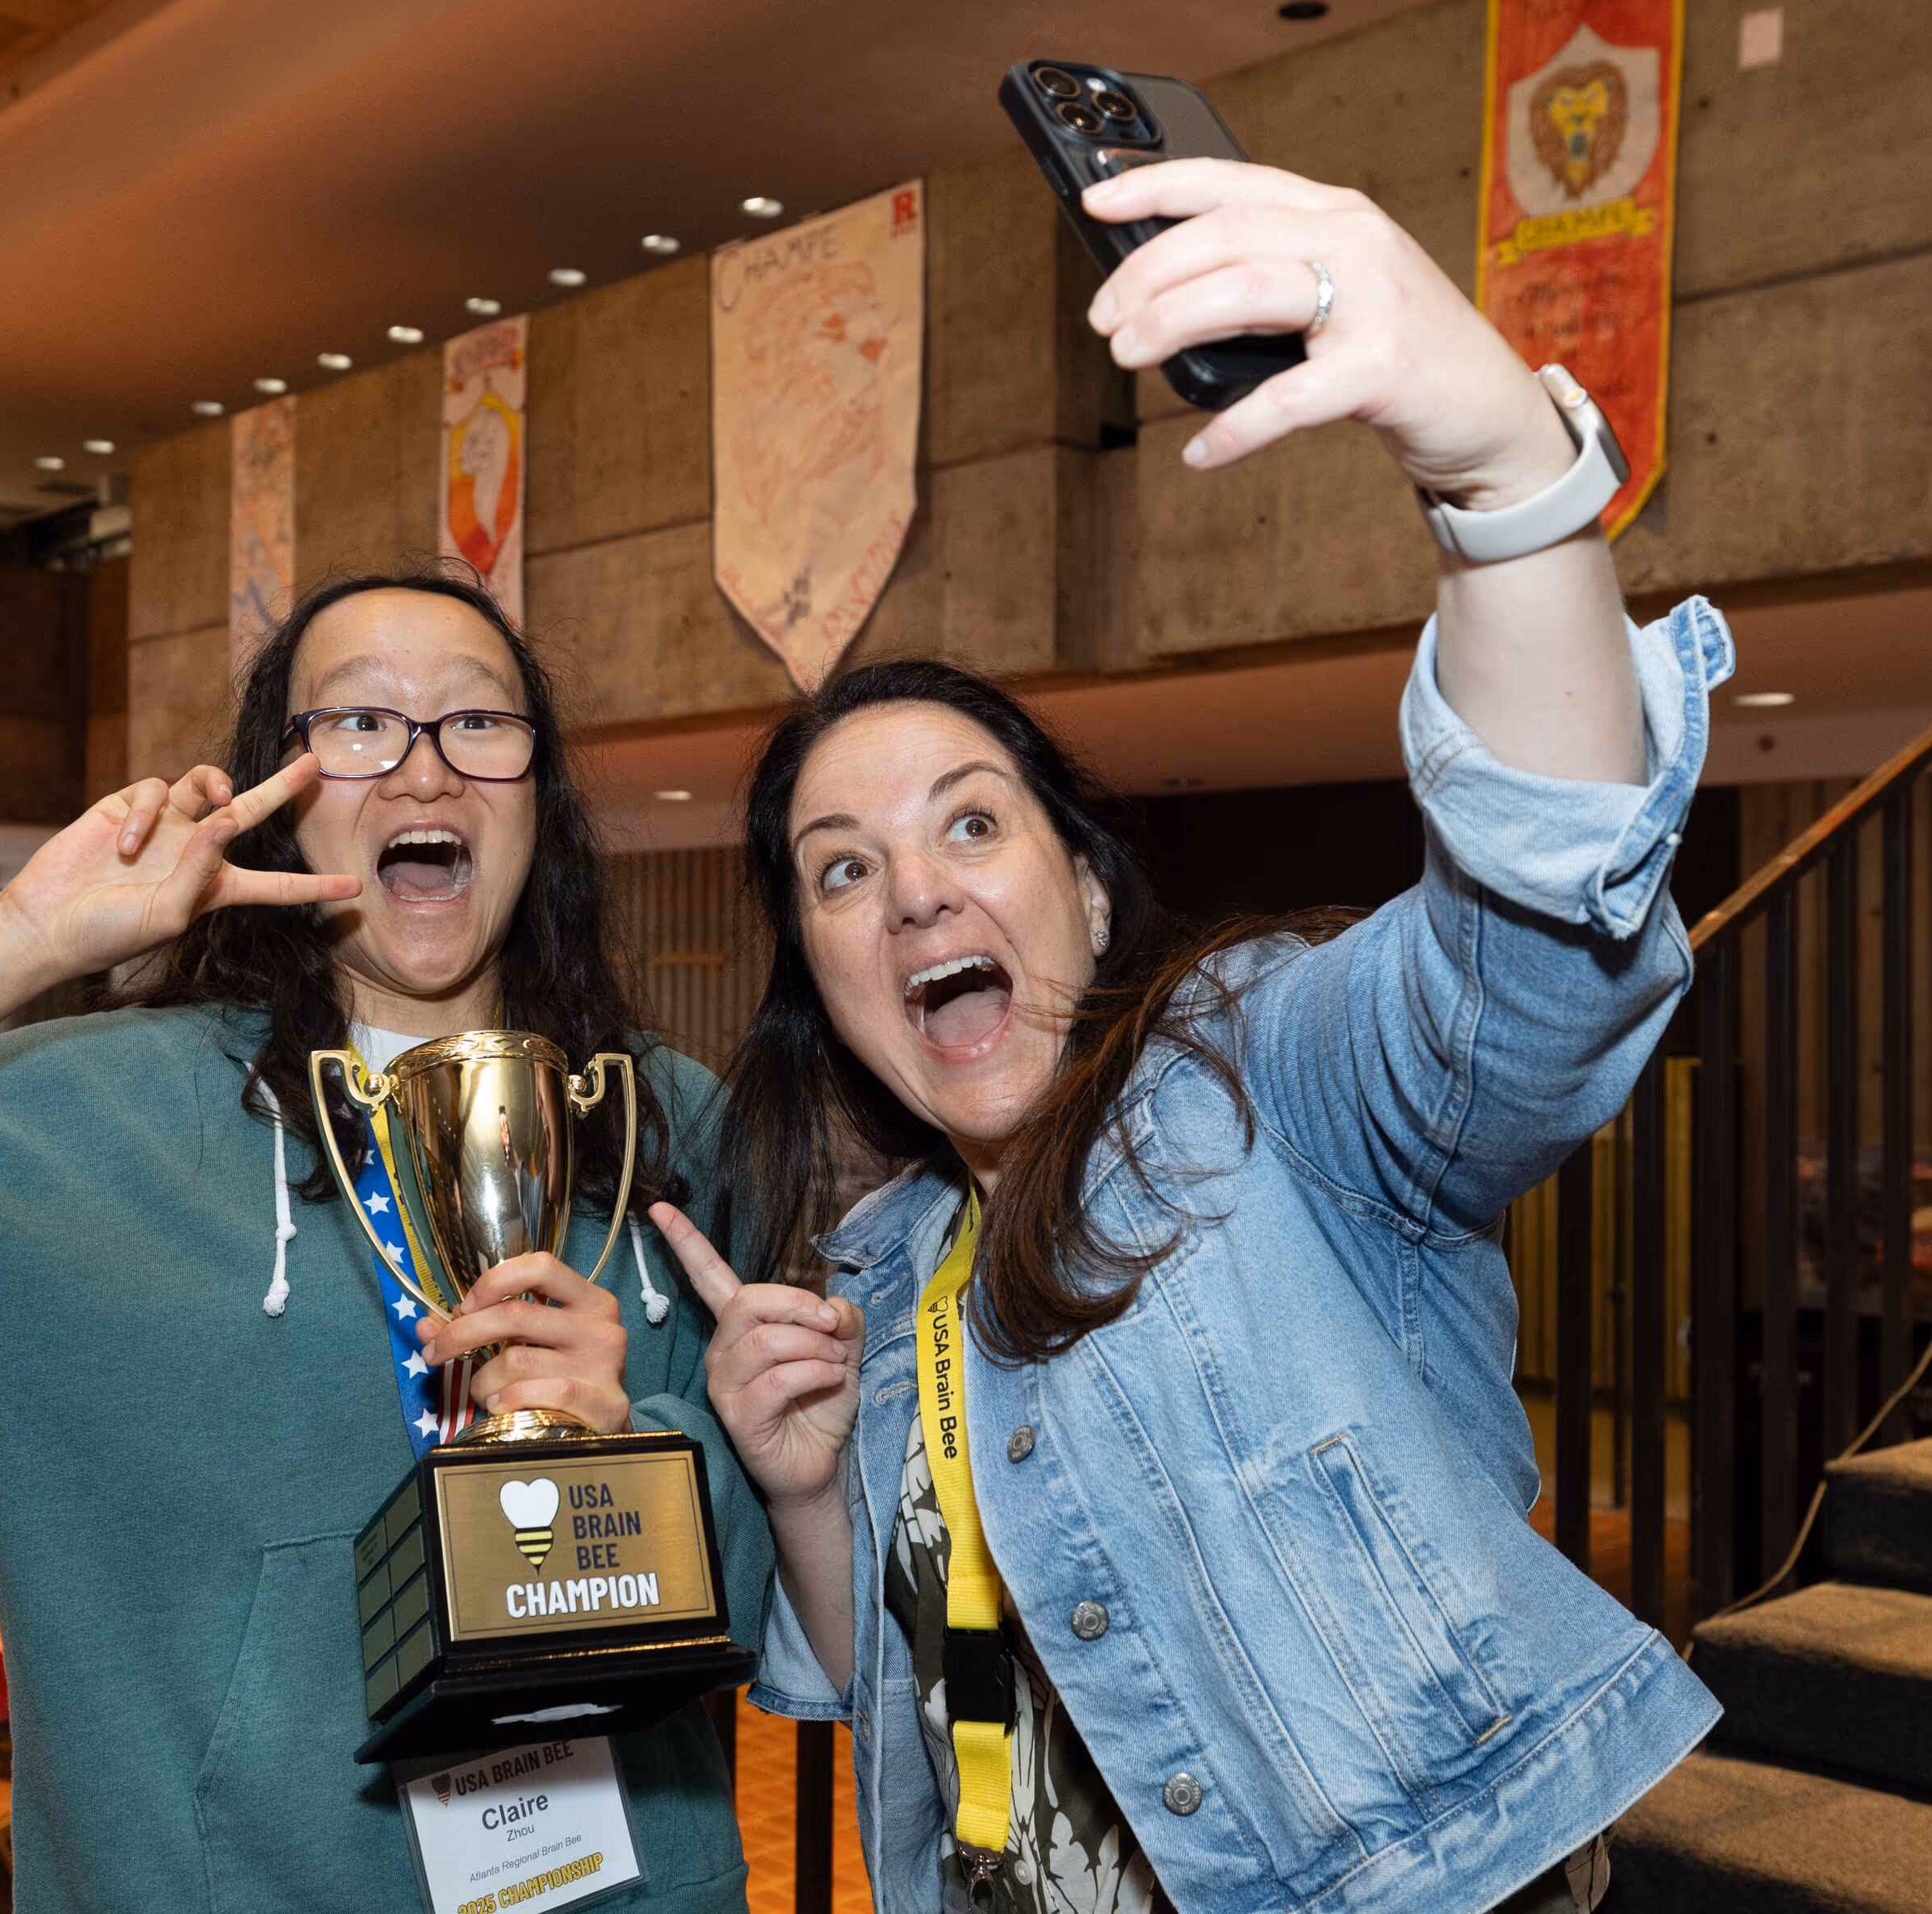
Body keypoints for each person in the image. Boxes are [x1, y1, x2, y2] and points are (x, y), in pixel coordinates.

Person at [652, 158, 1725, 1914]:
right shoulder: (887, 1260)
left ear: (1083, 888)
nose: (913, 892)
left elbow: (1527, 964)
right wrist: (800, 1493)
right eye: (841, 870)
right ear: (824, 974)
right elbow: (896, 1690)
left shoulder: (1262, 1085)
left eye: (971, 826)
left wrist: (1502, 476)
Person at [0, 566, 771, 1913]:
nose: (425, 771)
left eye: (480, 722)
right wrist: (9, 946)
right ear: (271, 796)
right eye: (357, 724)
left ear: (540, 791)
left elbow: (751, 1608)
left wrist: (633, 1449)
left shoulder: (664, 1123)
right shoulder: (33, 1133)